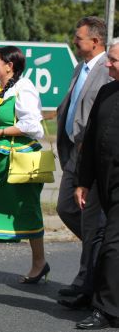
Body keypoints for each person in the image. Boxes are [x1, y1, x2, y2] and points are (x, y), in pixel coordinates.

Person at [0, 46, 49, 283]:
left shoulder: (24, 88)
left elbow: (34, 126)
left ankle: (39, 262)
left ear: (10, 65)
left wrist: (2, 130)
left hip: (19, 159)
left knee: (26, 209)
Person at [56, 17, 111, 309]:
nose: (75, 41)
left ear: (95, 41)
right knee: (66, 208)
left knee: (91, 220)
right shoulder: (81, 67)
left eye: (79, 38)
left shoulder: (107, 68)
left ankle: (86, 281)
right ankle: (101, 254)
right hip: (73, 151)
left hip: (88, 153)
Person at [73, 42, 119, 330]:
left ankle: (106, 309)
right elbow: (91, 142)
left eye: (113, 60)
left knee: (112, 246)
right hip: (104, 181)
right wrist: (83, 181)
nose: (107, 64)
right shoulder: (107, 91)